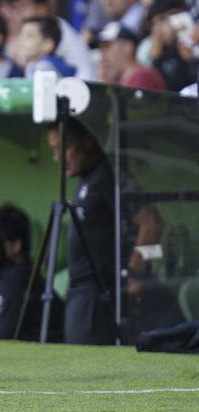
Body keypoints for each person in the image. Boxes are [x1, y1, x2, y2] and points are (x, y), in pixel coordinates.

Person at [48, 118, 163, 345]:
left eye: (64, 148)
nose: (57, 158)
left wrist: (135, 274)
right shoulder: (87, 179)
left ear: (89, 142)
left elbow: (153, 224)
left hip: (101, 293)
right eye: (53, 151)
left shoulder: (109, 174)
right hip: (81, 293)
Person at [97, 23, 166, 91]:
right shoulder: (122, 80)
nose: (103, 53)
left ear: (128, 47)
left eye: (107, 46)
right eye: (101, 48)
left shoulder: (142, 76)